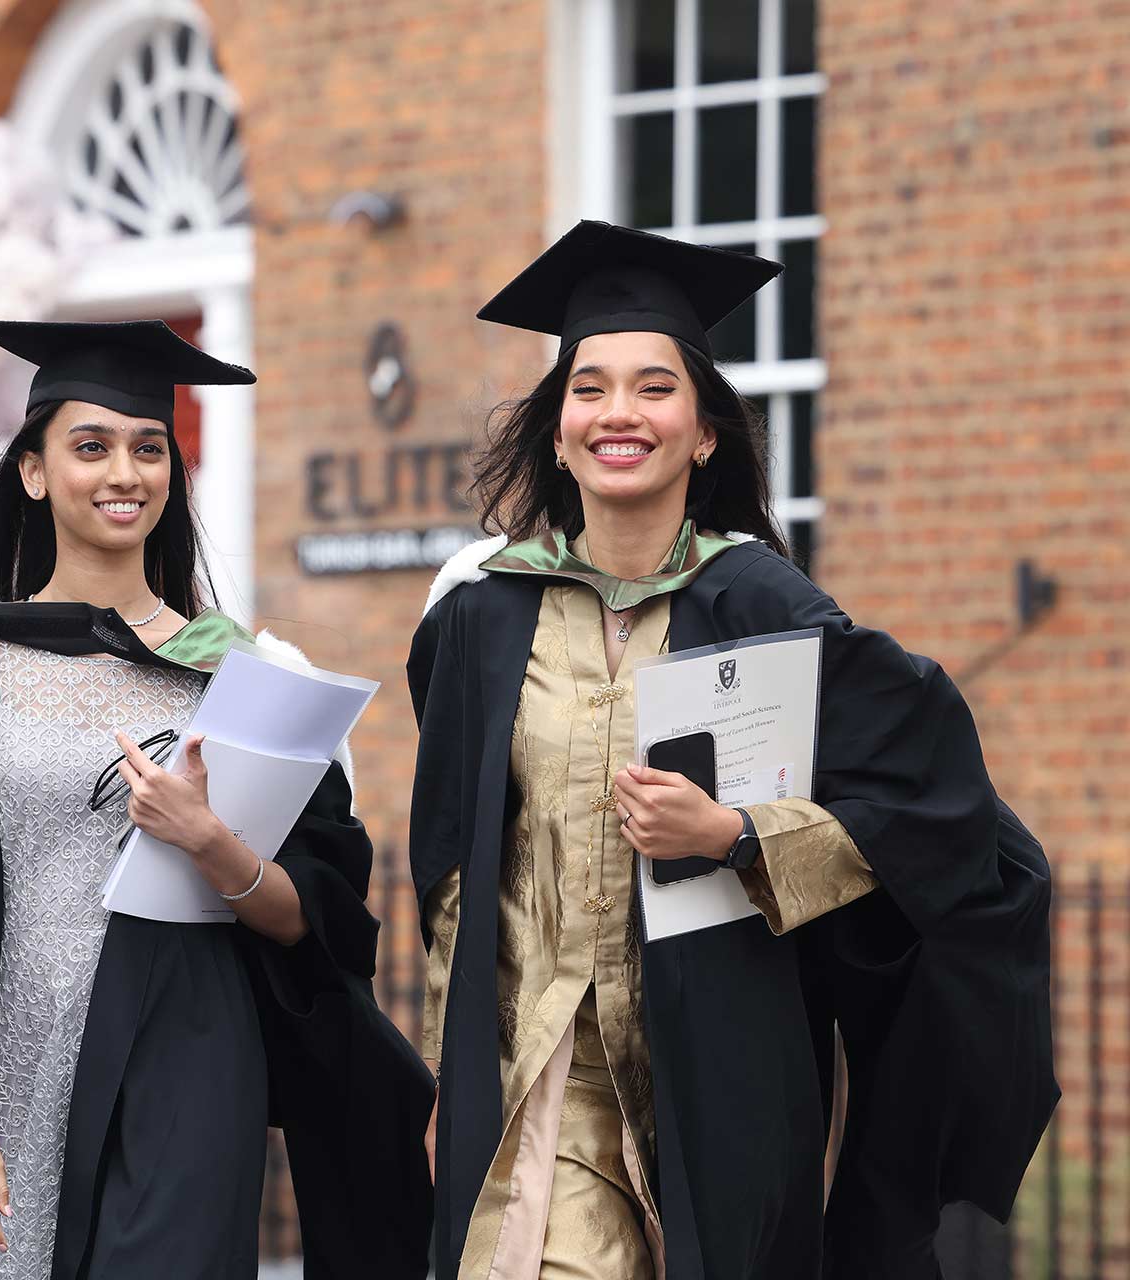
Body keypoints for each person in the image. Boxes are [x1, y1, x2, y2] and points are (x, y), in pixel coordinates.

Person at [409, 221, 1056, 1280]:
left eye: (655, 387)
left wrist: (740, 833)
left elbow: (932, 813)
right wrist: (449, 1072)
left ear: (705, 432)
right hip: (542, 1071)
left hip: (721, 1068)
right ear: (559, 431)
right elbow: (450, 867)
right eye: (590, 388)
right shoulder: (482, 619)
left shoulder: (760, 600)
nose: (620, 411)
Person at [0, 319, 432, 1280]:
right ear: (35, 473)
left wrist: (215, 845)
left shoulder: (239, 678)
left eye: (148, 448)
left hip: (191, 1051)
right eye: (91, 447)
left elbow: (320, 919)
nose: (124, 472)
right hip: (11, 1047)